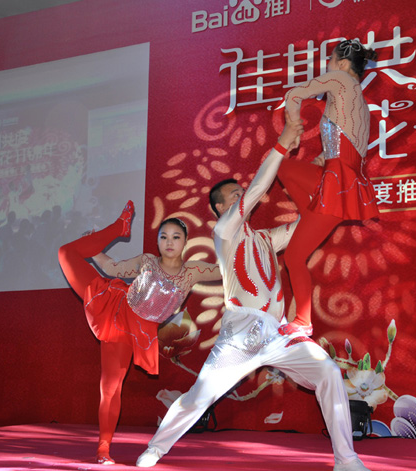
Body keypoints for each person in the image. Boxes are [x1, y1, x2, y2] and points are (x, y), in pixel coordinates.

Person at [135, 117, 370, 471]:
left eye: (239, 193)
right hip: (239, 335)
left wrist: (324, 178)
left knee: (328, 372)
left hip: (278, 333)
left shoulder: (265, 239)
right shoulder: (224, 233)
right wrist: (283, 143)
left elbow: (308, 223)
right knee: (199, 397)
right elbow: (258, 188)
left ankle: (346, 460)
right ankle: (155, 449)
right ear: (220, 208)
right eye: (234, 195)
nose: (241, 196)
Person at [57, 204, 220, 465]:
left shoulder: (192, 271)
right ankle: (103, 450)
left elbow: (227, 270)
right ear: (157, 241)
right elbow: (111, 268)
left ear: (185, 241)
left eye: (175, 237)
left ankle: (103, 448)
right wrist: (94, 246)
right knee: (66, 252)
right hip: (114, 307)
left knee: (112, 387)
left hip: (136, 331)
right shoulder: (147, 261)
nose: (169, 242)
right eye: (164, 237)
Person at [278, 38, 379, 337]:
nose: (327, 67)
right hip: (341, 182)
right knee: (286, 168)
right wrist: (322, 157)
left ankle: (303, 321)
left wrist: (293, 131)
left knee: (293, 257)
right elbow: (343, 150)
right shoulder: (359, 101)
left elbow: (294, 94)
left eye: (331, 61)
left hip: (337, 186)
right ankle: (308, 213)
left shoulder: (339, 80)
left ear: (342, 64)